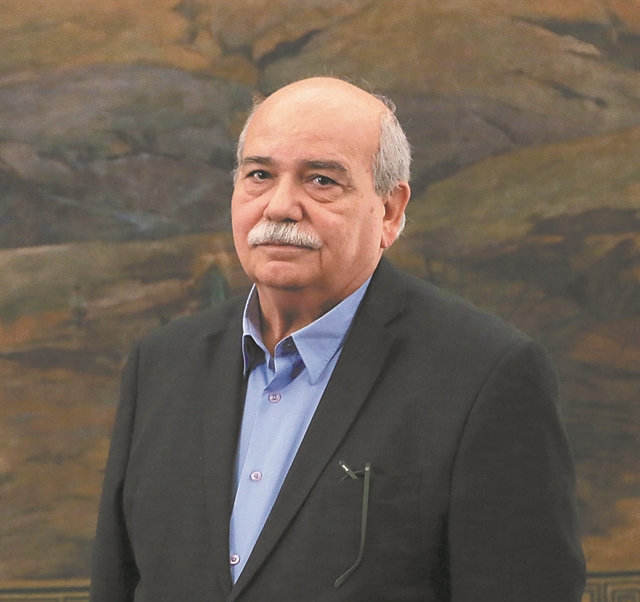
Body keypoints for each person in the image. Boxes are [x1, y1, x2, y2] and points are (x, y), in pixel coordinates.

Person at [90, 77, 586, 601]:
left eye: (321, 180)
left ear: (390, 210)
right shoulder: (161, 364)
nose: (280, 206)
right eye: (260, 175)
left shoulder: (486, 375)